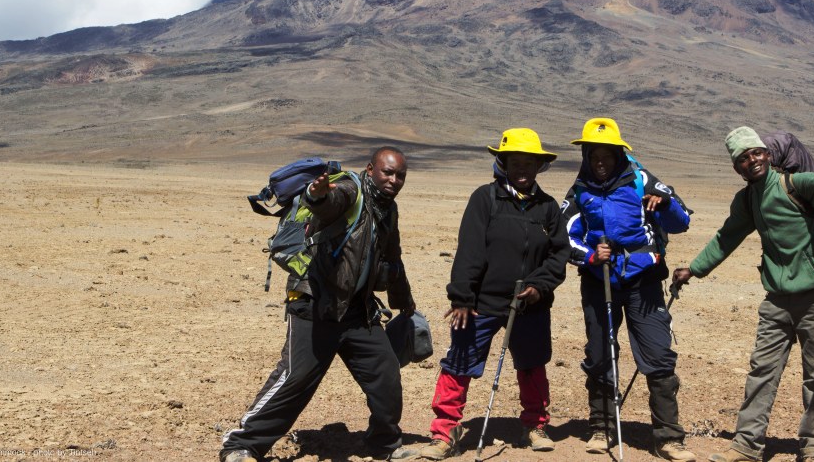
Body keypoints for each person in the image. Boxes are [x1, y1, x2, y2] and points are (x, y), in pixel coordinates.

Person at [221, 147, 419, 462]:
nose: (394, 180)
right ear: (371, 170)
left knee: (386, 375)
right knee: (295, 378)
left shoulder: (388, 210)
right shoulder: (350, 191)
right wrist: (317, 195)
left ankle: (384, 444)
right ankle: (241, 445)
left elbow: (392, 258)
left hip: (357, 312)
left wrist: (403, 300)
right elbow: (329, 203)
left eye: (400, 175)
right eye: (388, 172)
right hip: (315, 304)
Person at [672, 126, 814, 462]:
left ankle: (813, 444)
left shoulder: (792, 184)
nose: (752, 160)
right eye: (743, 158)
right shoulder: (746, 201)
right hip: (776, 300)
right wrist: (694, 269)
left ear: (768, 156)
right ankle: (746, 445)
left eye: (756, 153)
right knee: (762, 371)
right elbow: (726, 237)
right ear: (736, 168)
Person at [416, 128, 570, 460]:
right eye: (516, 163)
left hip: (529, 304)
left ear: (539, 166)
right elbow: (469, 251)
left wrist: (538, 286)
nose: (523, 170)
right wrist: (461, 298)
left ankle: (535, 425)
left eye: (529, 164)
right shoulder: (484, 199)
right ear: (503, 163)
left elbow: (559, 257)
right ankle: (445, 432)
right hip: (482, 303)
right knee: (458, 363)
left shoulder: (548, 208)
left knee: (532, 366)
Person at [562, 118, 697, 461]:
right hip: (599, 281)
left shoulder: (642, 181)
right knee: (599, 354)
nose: (601, 162)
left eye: (608, 155)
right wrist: (591, 256)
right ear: (587, 156)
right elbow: (564, 237)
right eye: (595, 155)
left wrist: (664, 205)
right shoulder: (579, 190)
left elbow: (682, 221)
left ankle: (668, 437)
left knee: (658, 355)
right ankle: (601, 428)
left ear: (620, 154)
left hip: (644, 281)